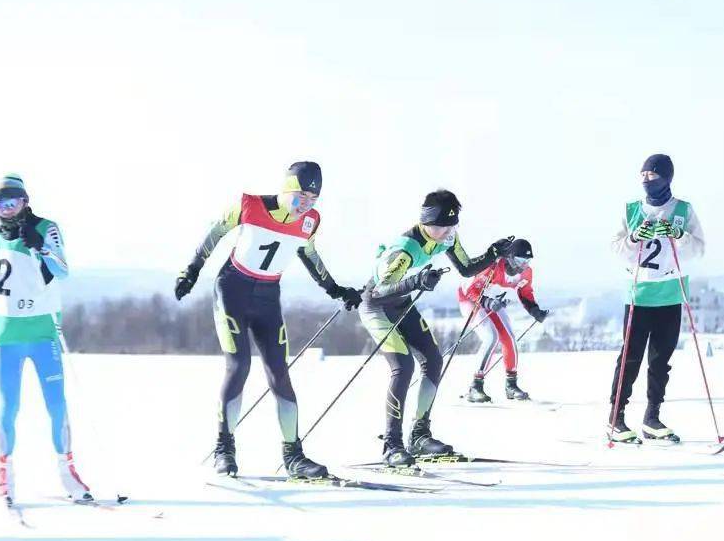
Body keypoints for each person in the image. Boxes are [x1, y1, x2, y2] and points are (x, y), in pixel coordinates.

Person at [174, 161, 362, 479]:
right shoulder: (250, 206)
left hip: (267, 297)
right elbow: (215, 233)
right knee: (240, 365)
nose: (305, 204)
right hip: (232, 289)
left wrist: (335, 289)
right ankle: (225, 447)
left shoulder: (310, 221)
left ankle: (293, 454)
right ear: (286, 188)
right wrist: (191, 270)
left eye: (312, 199)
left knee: (279, 373)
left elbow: (309, 254)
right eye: (300, 195)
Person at [0, 174, 93, 506]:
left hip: (42, 331)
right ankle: (5, 474)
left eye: (12, 202)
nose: (7, 210)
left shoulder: (47, 227)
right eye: (0, 205)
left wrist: (40, 245)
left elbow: (62, 271)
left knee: (56, 404)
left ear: (25, 201)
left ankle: (67, 472)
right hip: (7, 334)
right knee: (8, 408)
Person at [359, 189, 513, 466]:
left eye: (452, 225)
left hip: (402, 302)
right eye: (441, 226)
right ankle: (392, 445)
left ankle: (419, 435)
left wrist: (493, 253)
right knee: (403, 366)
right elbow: (381, 291)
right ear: (425, 222)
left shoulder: (447, 236)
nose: (446, 232)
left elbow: (466, 269)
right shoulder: (404, 249)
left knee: (432, 359)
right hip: (377, 305)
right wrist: (416, 281)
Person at [608, 155, 705, 443]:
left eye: (652, 176)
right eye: (643, 176)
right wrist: (634, 238)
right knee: (630, 357)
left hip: (671, 292)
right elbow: (617, 250)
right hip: (639, 293)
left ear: (666, 178)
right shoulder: (631, 210)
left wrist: (679, 235)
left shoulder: (683, 210)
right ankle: (616, 418)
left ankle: (652, 418)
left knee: (661, 360)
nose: (646, 181)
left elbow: (697, 251)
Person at [461, 239, 549, 403]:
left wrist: (535, 310)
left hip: (494, 301)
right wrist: (487, 302)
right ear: (509, 257)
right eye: (520, 260)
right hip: (471, 299)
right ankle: (475, 386)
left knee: (508, 338)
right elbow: (470, 290)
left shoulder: (526, 272)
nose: (523, 265)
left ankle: (511, 385)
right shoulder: (493, 267)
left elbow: (525, 292)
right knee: (491, 337)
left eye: (527, 261)